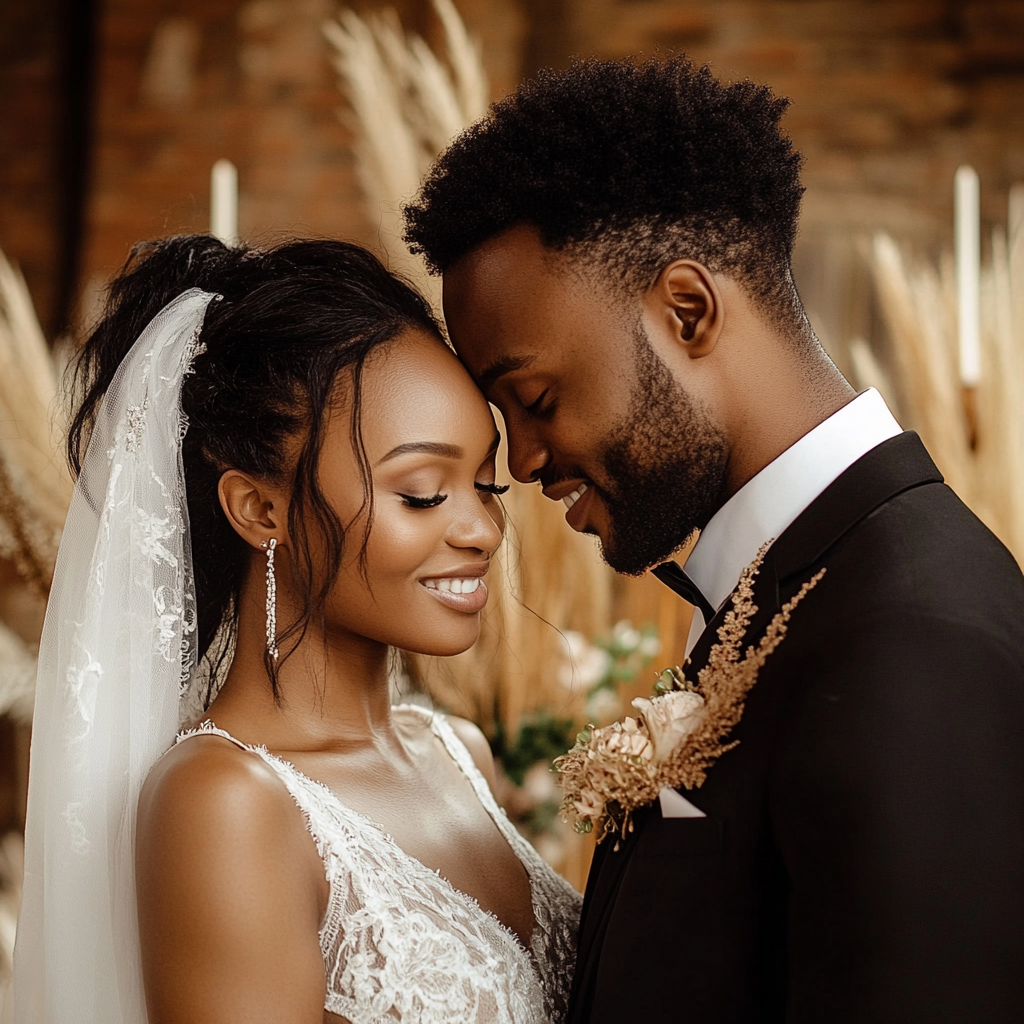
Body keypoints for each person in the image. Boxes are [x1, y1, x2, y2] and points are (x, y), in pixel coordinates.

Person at [404, 56, 1024, 1023]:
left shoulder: (912, 636)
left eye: (535, 399)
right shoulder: (788, 595)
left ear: (686, 311)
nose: (521, 461)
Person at [14, 236, 581, 1024]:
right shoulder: (228, 803)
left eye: (485, 485)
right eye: (422, 492)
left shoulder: (459, 754)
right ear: (259, 508)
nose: (482, 529)